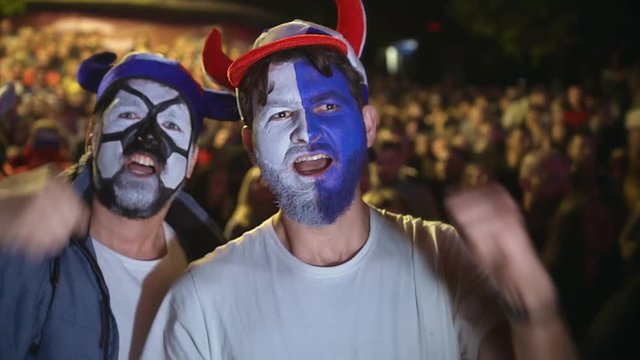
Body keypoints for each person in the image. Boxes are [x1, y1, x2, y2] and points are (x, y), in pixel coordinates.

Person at [143, 0, 577, 358]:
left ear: (369, 126)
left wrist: (537, 315)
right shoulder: (201, 301)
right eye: (278, 114)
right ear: (252, 146)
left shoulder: (444, 258)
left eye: (328, 107)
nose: (307, 132)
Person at [0, 51, 238, 360]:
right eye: (129, 115)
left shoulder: (215, 266)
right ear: (91, 136)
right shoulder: (30, 248)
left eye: (172, 125)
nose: (148, 138)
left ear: (192, 160)